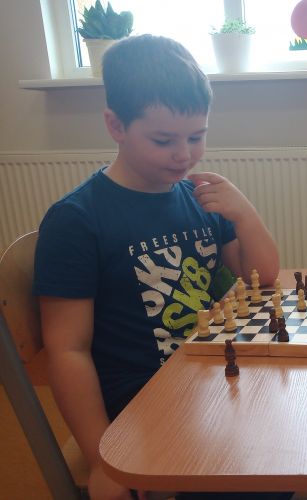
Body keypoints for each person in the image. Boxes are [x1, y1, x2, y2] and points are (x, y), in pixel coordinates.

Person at [32, 35, 281, 500]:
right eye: (163, 140)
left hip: (210, 375)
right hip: (142, 400)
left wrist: (245, 213)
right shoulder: (77, 220)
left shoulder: (198, 198)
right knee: (260, 480)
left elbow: (263, 277)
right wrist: (101, 458)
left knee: (302, 434)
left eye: (197, 136)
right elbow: (68, 350)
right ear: (115, 125)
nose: (184, 154)